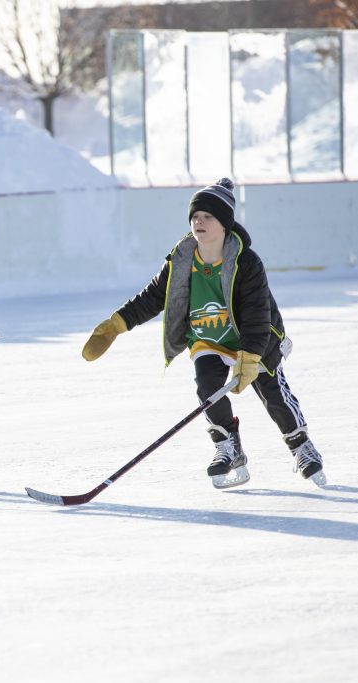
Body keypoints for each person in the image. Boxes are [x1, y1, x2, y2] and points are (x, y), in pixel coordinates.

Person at [80, 177, 325, 488]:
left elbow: (257, 314)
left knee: (272, 391)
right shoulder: (182, 259)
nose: (199, 221)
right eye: (195, 216)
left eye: (208, 216)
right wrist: (116, 325)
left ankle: (301, 445)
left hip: (253, 337)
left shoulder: (246, 262)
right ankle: (228, 447)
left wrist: (250, 357)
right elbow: (154, 296)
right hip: (208, 338)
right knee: (208, 388)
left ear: (224, 223)